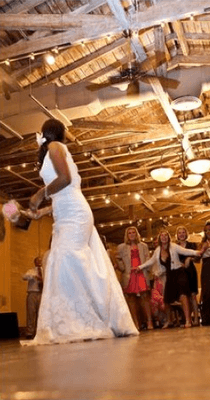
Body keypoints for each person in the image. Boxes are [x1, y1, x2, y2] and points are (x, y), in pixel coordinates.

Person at [22, 119, 138, 345]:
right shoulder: (55, 151)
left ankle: (84, 319)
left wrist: (40, 194)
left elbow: (65, 180)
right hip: (66, 211)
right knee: (64, 260)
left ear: (46, 132)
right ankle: (76, 318)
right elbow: (64, 192)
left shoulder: (55, 147)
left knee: (65, 258)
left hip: (74, 213)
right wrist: (42, 212)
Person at [138, 229, 201, 328]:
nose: (164, 237)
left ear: (168, 237)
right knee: (167, 300)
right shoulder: (158, 250)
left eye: (166, 236)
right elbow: (151, 261)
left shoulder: (174, 246)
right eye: (162, 236)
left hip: (179, 273)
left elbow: (185, 251)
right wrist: (140, 267)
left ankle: (188, 320)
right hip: (169, 275)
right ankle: (169, 320)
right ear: (159, 238)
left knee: (183, 296)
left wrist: (197, 252)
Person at [116, 226, 153, 330]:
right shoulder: (121, 247)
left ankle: (149, 322)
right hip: (129, 274)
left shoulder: (143, 246)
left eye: (134, 233)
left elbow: (148, 258)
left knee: (145, 297)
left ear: (137, 235)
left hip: (141, 272)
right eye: (130, 233)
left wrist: (142, 267)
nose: (132, 234)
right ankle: (136, 324)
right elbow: (118, 259)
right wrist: (123, 268)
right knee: (131, 299)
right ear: (127, 235)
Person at [176, 226, 200, 326]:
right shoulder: (174, 246)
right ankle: (187, 318)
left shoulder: (192, 245)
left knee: (193, 295)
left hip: (190, 271)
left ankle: (196, 318)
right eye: (179, 233)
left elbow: (198, 259)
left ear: (186, 234)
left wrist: (190, 258)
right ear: (177, 235)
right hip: (180, 272)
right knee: (183, 296)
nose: (181, 234)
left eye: (183, 232)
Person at [22, 257, 43, 339]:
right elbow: (24, 277)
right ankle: (30, 332)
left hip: (42, 293)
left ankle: (39, 332)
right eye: (38, 261)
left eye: (40, 260)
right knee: (31, 313)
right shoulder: (31, 271)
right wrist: (34, 276)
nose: (39, 262)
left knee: (41, 314)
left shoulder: (45, 271)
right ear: (35, 262)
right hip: (32, 293)